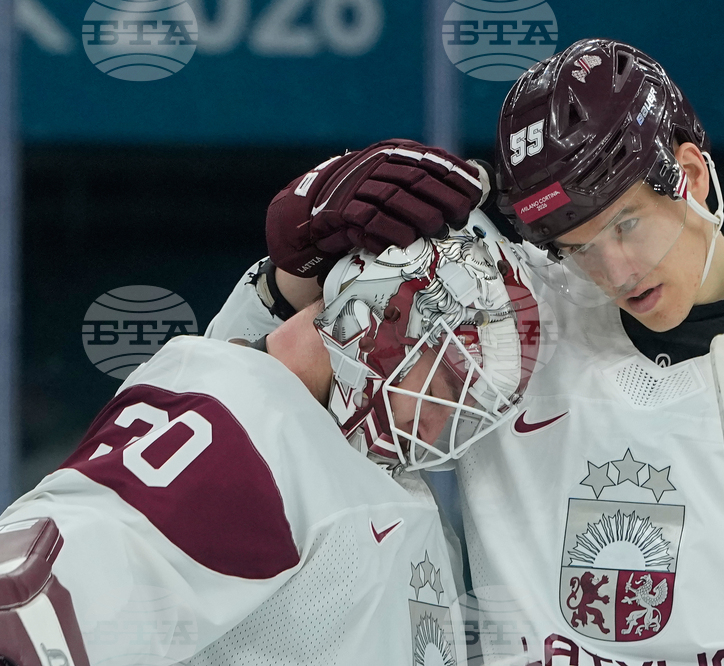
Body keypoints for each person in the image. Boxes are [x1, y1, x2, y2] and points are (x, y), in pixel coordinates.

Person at [197, 41, 724, 665]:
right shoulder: (502, 321)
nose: (614, 271)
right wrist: (286, 284)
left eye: (627, 225)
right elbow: (215, 442)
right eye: (575, 247)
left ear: (688, 172)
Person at [0, 139, 544, 666]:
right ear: (382, 321)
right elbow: (34, 595)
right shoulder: (242, 423)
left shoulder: (339, 447)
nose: (442, 422)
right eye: (447, 387)